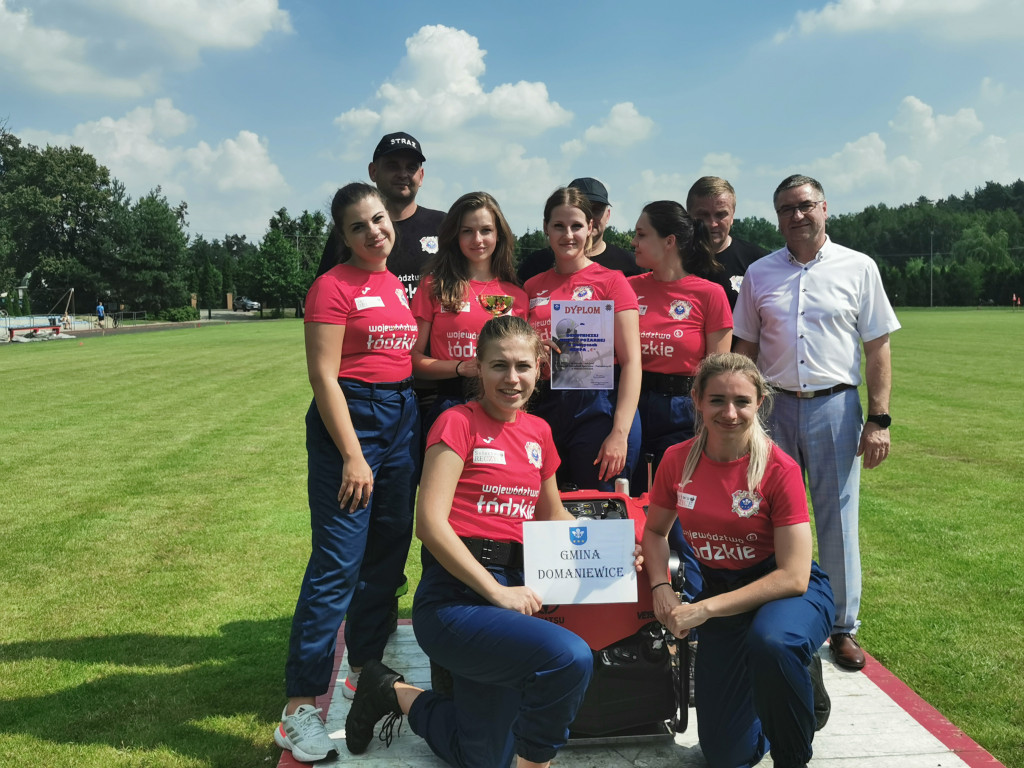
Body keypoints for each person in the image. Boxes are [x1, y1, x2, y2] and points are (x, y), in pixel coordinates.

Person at [346, 315, 639, 768]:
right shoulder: (456, 422)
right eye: (499, 366)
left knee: (481, 757)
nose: (512, 378)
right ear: (478, 368)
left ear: (540, 369)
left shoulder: (539, 433)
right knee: (569, 658)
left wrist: (618, 552)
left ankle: (391, 691)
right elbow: (430, 523)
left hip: (511, 594)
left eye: (523, 366)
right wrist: (496, 591)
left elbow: (553, 515)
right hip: (456, 601)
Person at [275, 182, 420, 764]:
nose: (373, 233)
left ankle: (364, 672)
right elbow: (323, 375)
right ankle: (297, 708)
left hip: (402, 417)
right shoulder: (330, 286)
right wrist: (354, 454)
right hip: (352, 423)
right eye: (359, 226)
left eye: (378, 220)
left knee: (387, 557)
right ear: (343, 235)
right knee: (337, 564)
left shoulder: (392, 284)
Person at [733, 174, 900, 671]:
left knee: (837, 520)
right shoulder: (760, 273)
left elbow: (877, 348)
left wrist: (880, 419)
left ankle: (842, 628)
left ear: (824, 208)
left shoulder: (858, 267)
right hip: (772, 407)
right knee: (762, 516)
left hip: (835, 405)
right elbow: (744, 349)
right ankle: (769, 613)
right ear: (777, 216)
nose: (796, 215)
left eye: (805, 205)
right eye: (786, 208)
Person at [643, 352, 835, 768]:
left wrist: (703, 609)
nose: (729, 413)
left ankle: (793, 751)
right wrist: (661, 586)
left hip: (783, 593)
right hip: (723, 591)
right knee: (728, 756)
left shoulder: (778, 468)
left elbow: (794, 576)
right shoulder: (677, 460)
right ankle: (788, 682)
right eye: (716, 400)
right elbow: (655, 531)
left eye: (742, 401)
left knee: (772, 643)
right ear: (696, 399)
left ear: (760, 401)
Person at [524, 186, 642, 492]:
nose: (568, 235)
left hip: (598, 407)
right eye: (559, 226)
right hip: (543, 405)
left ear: (591, 228)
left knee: (601, 511)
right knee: (545, 512)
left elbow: (631, 363)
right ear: (546, 229)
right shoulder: (532, 287)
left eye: (577, 225)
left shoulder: (612, 282)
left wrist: (620, 432)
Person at [628, 200, 733, 493]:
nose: (634, 242)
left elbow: (719, 372)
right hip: (630, 405)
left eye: (641, 234)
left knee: (676, 501)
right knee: (630, 497)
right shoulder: (627, 288)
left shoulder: (710, 295)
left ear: (669, 241)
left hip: (683, 410)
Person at [411, 191, 528, 434]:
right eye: (467, 231)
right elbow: (412, 360)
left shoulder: (517, 295)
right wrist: (460, 367)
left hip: (505, 409)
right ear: (455, 236)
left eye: (486, 230)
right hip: (450, 405)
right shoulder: (434, 286)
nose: (477, 239)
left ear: (499, 235)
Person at [315, 131, 445, 302]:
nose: (403, 174)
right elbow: (324, 294)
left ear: (421, 176)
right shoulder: (352, 231)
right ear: (373, 171)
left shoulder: (444, 224)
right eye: (393, 166)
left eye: (411, 167)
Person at [517, 178, 644, 283]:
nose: (589, 217)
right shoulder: (535, 264)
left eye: (596, 210)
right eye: (582, 210)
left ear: (608, 215)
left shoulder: (630, 264)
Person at [686, 176, 769, 311]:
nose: (712, 223)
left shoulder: (758, 261)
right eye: (703, 215)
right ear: (688, 215)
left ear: (732, 216)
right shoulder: (671, 260)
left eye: (720, 215)